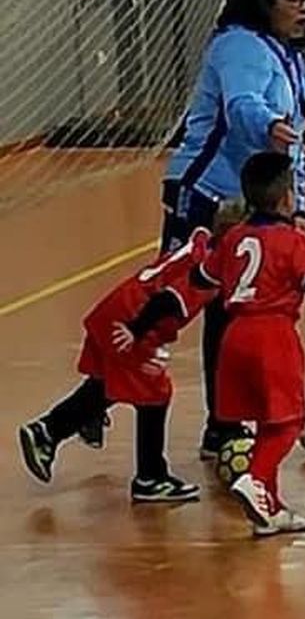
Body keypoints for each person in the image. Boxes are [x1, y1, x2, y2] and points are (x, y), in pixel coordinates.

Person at [162, 0, 305, 459]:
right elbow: (243, 105)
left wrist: (295, 205)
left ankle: (224, 425)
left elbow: (293, 139)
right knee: (166, 308)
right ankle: (75, 412)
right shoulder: (240, 46)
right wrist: (266, 127)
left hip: (249, 201)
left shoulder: (289, 59)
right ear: (266, 0)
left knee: (229, 311)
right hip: (206, 194)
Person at [17, 201, 247, 501]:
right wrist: (136, 332)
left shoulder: (200, 240)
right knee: (155, 393)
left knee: (106, 388)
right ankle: (150, 478)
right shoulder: (209, 271)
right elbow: (167, 300)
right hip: (131, 323)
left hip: (114, 308)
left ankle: (47, 431)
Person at [202, 152, 305, 536]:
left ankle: (270, 510)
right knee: (289, 422)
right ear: (287, 197)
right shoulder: (292, 239)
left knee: (262, 422)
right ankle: (255, 480)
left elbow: (206, 279)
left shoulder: (235, 237)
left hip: (233, 334)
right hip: (272, 334)